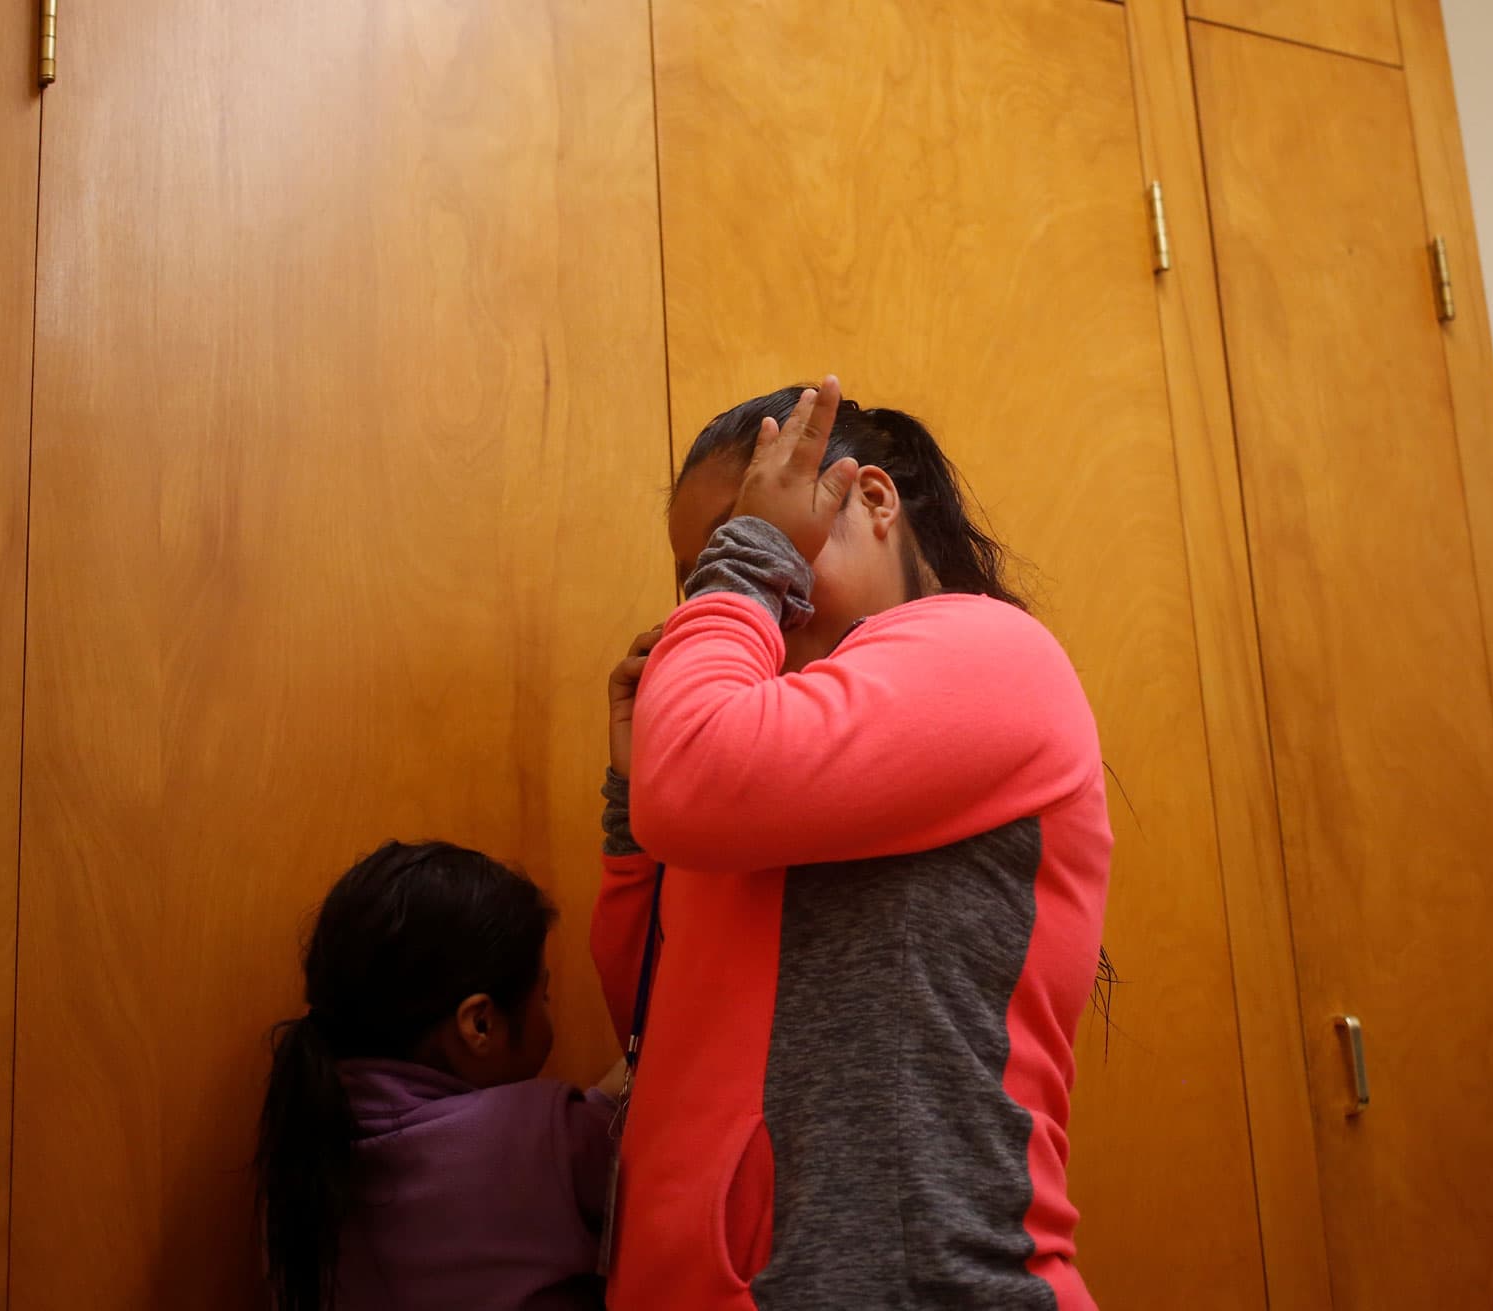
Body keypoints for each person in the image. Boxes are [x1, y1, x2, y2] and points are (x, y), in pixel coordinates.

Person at [593, 378, 1113, 1310]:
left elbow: (703, 781)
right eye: (704, 573)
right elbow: (660, 1019)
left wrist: (732, 588)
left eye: (761, 543)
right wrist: (634, 798)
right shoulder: (762, 737)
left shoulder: (990, 653)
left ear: (872, 502)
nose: (734, 592)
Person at [255, 840, 622, 1311]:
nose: (549, 1011)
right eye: (543, 996)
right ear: (480, 1025)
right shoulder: (544, 1143)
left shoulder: (301, 1156)